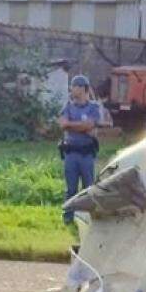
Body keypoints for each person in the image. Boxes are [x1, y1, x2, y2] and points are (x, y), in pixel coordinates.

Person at [58, 74, 102, 225]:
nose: (73, 89)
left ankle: (87, 218)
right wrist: (81, 126)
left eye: (76, 86)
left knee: (88, 188)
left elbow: (91, 125)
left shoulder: (93, 107)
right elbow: (63, 124)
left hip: (86, 154)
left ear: (84, 89)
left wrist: (73, 125)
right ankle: (68, 218)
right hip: (71, 153)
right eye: (72, 86)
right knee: (70, 189)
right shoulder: (67, 106)